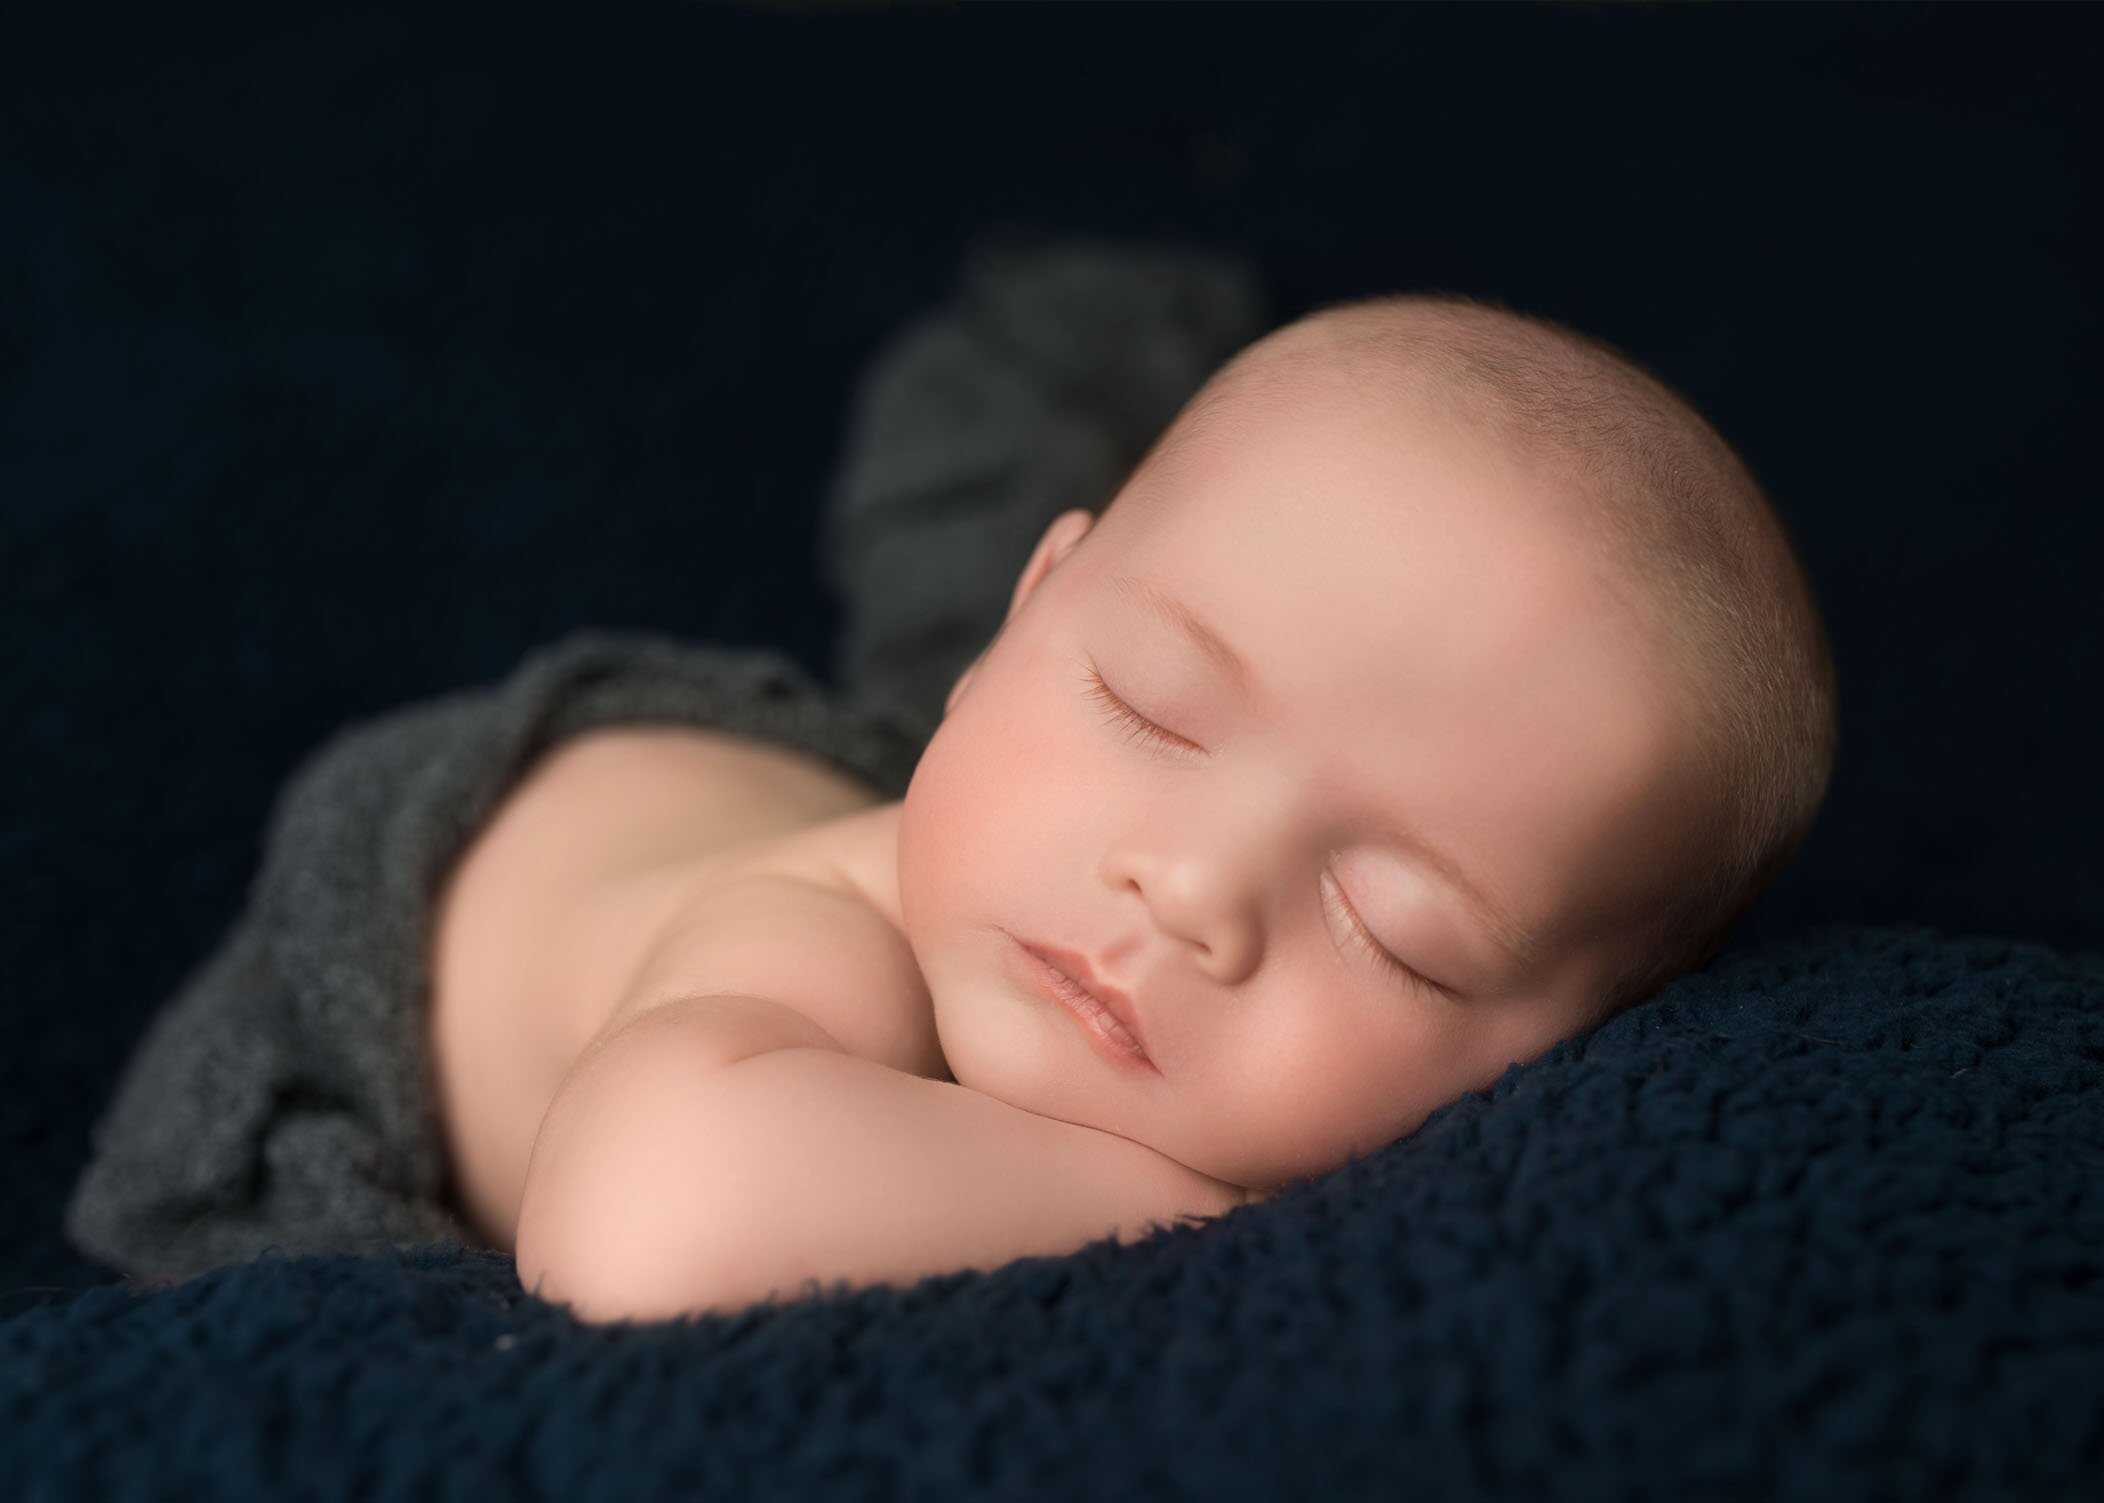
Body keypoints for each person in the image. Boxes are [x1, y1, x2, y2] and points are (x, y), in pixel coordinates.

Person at [429, 291, 1837, 1321]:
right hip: (463, 885)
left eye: (1396, 930)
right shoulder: (821, 932)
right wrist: (1229, 1224)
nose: (1192, 890)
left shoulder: (1075, 854)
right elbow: (646, 1234)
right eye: (1150, 706)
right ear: (1029, 614)